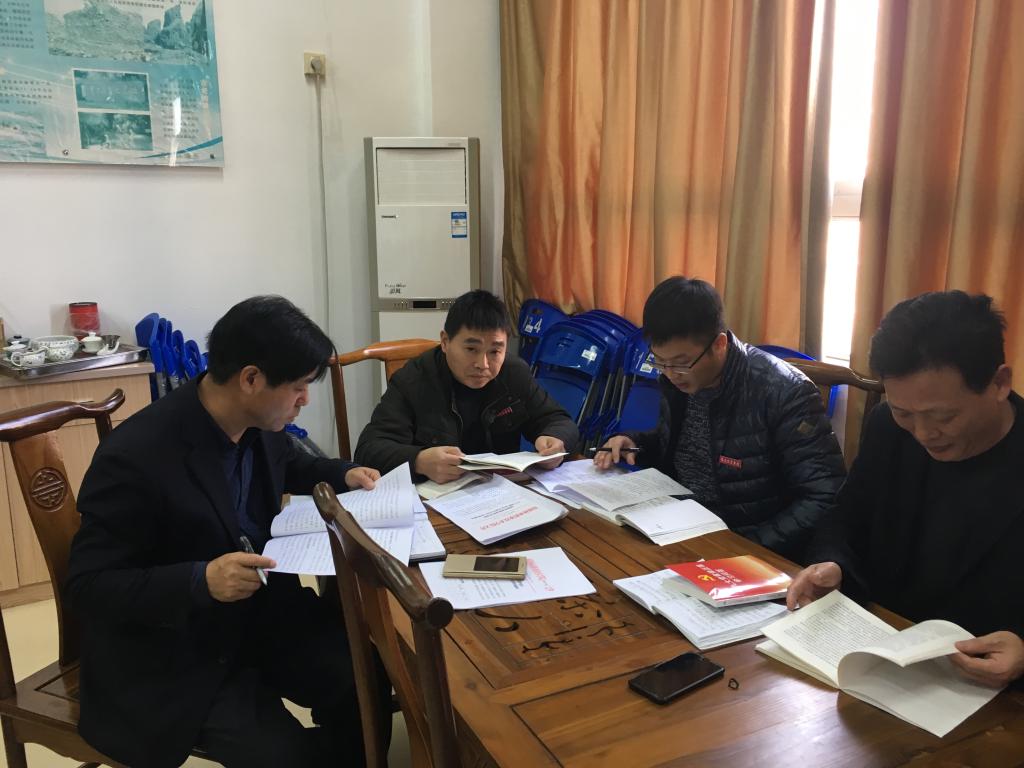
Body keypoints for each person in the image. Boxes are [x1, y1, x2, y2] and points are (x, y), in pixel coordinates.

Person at [66, 296, 390, 768]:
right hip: (178, 649)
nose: (305, 399)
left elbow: (291, 464)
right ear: (251, 379)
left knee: (363, 679)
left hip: (256, 615)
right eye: (298, 387)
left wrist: (343, 473)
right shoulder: (136, 456)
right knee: (285, 755)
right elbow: (88, 585)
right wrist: (201, 580)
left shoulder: (258, 423)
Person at [788, 290, 1024, 688]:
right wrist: (833, 564)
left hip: (985, 688)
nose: (923, 433)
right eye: (904, 413)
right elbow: (846, 518)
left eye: (943, 416)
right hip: (881, 658)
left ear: (999, 382)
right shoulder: (887, 427)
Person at [594, 276, 845, 562]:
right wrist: (633, 442)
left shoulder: (784, 391)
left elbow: (825, 495)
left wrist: (747, 549)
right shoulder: (680, 381)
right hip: (676, 527)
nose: (671, 374)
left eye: (681, 363)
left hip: (746, 543)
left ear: (719, 344)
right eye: (660, 361)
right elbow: (683, 449)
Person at [355, 289, 579, 483]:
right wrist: (419, 461)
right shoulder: (413, 379)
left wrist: (556, 439)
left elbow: (558, 420)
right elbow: (369, 449)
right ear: (445, 342)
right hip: (434, 500)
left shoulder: (513, 373)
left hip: (499, 495)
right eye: (471, 349)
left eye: (495, 351)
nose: (483, 364)